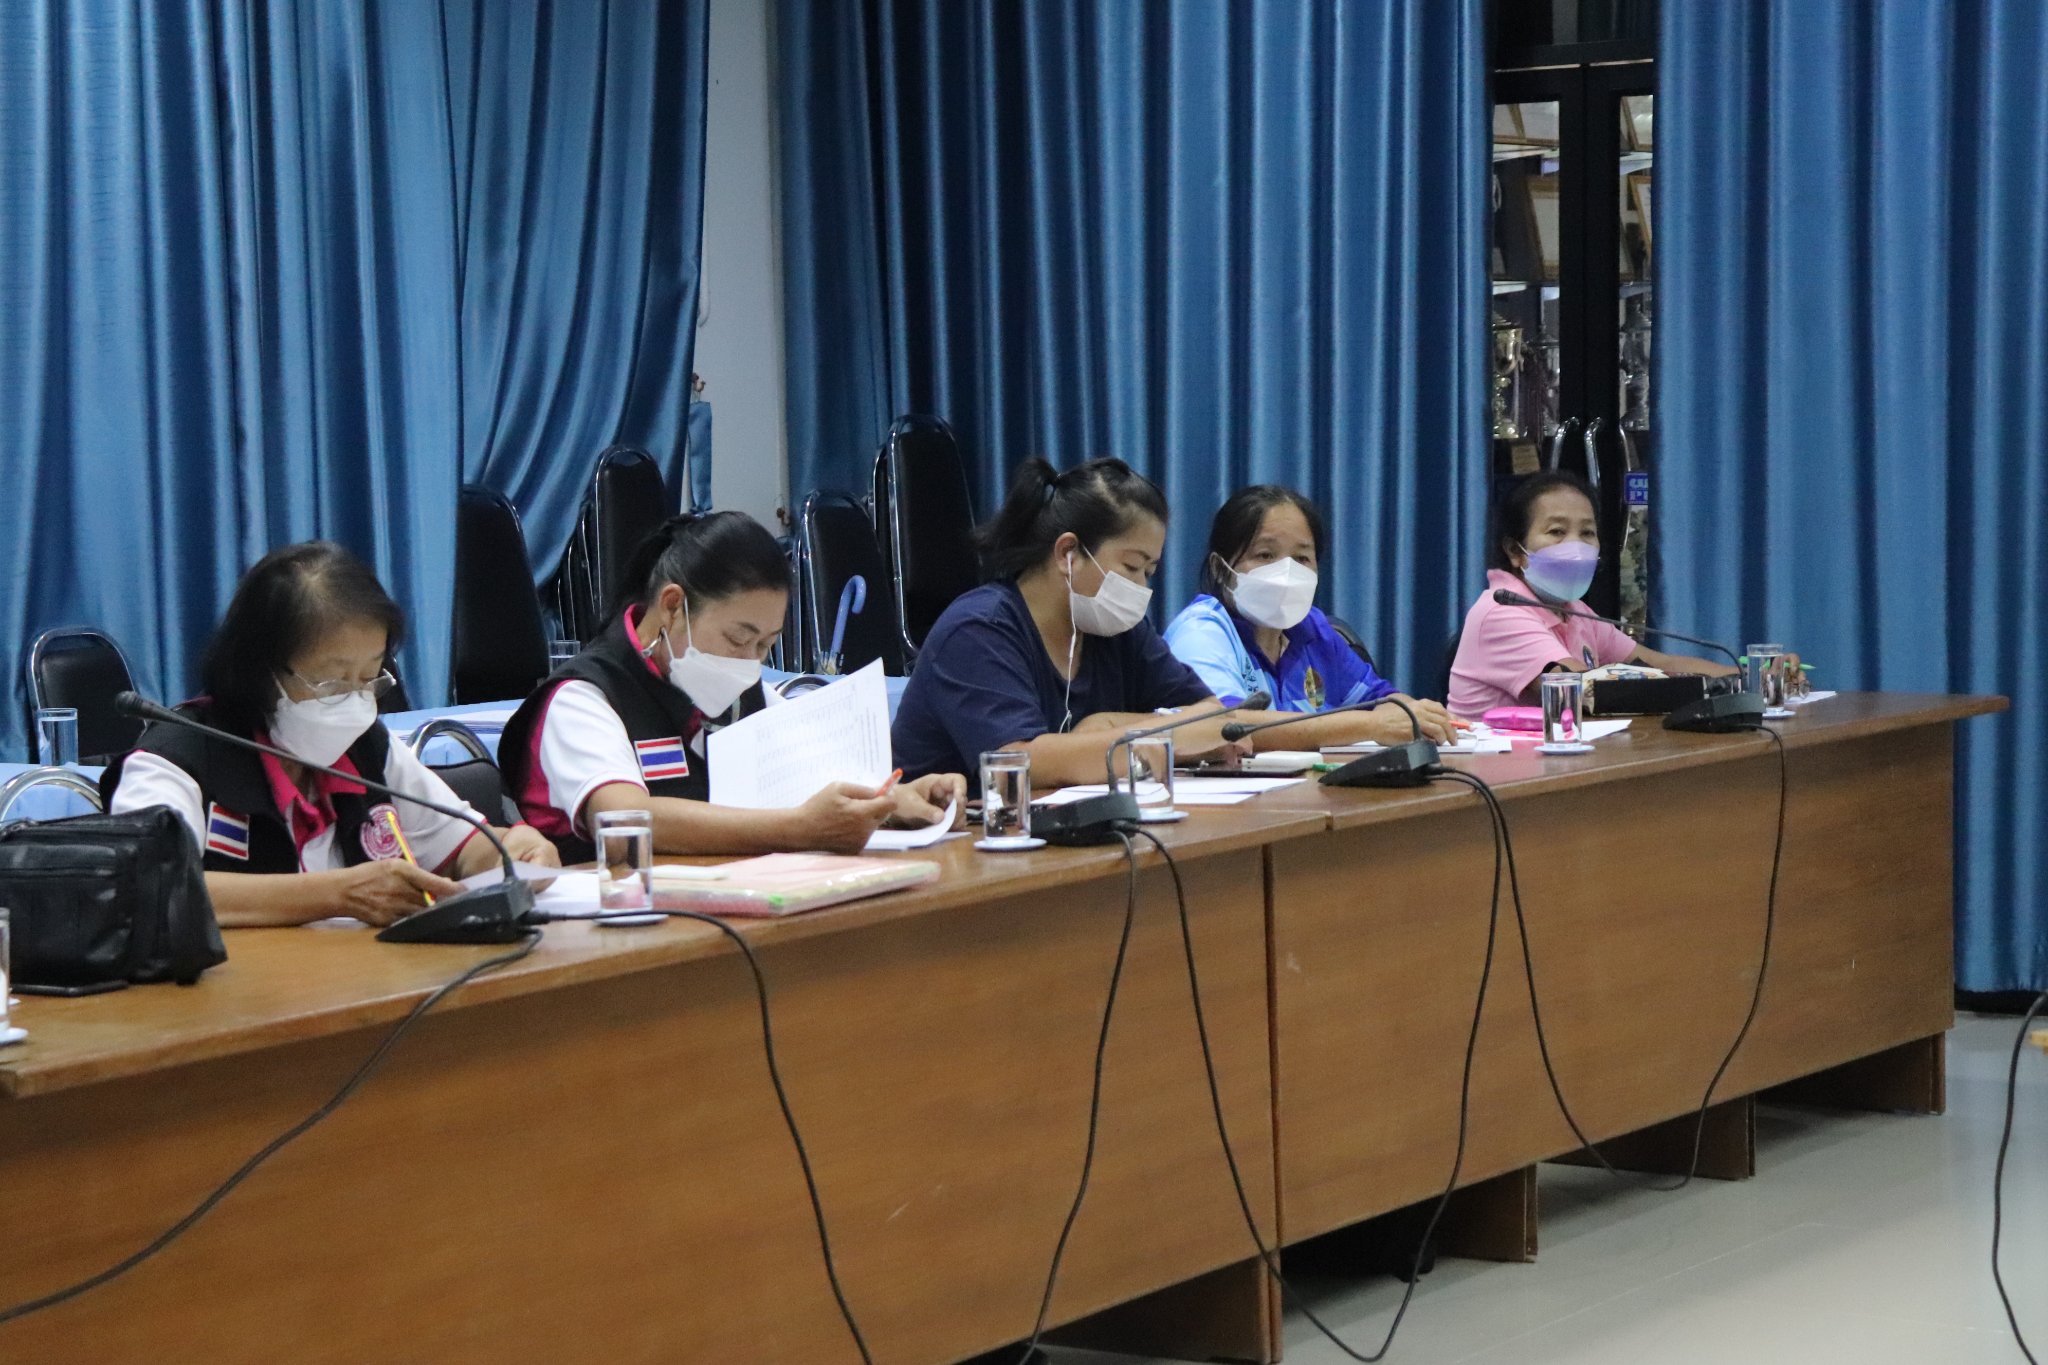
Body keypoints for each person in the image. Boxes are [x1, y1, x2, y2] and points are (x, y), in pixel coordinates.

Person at [104, 541, 560, 928]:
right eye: (333, 682)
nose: (356, 703)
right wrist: (336, 894)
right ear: (260, 670)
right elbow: (150, 890)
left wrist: (512, 851)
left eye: (369, 678)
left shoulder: (366, 750)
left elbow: (464, 847)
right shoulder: (175, 761)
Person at [500, 512, 964, 860]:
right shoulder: (582, 698)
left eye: (765, 646)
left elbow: (815, 774)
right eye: (739, 639)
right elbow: (624, 822)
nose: (749, 664)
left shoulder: (743, 690)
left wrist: (892, 801)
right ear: (673, 606)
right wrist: (799, 829)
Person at [892, 457, 1249, 789]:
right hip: (959, 831)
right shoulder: (977, 630)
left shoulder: (1119, 628)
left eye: (1149, 571)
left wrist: (1105, 725)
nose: (1141, 588)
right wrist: (1161, 735)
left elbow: (1212, 713)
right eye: (1131, 567)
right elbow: (1016, 766)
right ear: (1068, 553)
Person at [1165, 485, 1461, 746]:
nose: (1286, 573)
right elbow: (1224, 727)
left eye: (1302, 558)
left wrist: (1413, 715)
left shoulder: (1311, 629)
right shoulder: (1201, 632)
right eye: (1265, 555)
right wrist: (1371, 726)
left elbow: (1382, 700)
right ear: (1220, 569)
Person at [1448, 471, 1740, 715]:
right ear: (1515, 551)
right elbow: (1584, 690)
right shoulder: (1502, 612)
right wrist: (1705, 689)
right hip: (1496, 764)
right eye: (1557, 532)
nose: (1575, 545)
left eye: (1587, 533)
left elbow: (1660, 665)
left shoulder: (1573, 609)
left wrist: (1744, 680)